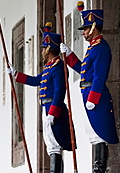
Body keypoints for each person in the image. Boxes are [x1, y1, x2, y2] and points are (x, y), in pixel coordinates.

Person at [7, 22, 75, 173]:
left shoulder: (58, 67)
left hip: (53, 109)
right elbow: (35, 80)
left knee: (55, 145)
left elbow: (59, 91)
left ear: (50, 49)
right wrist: (16, 74)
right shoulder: (49, 67)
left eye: (44, 48)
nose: (43, 51)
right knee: (51, 145)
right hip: (46, 108)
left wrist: (53, 112)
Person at [60, 7, 119, 173]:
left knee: (99, 134)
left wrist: (93, 98)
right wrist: (70, 55)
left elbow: (100, 76)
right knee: (92, 134)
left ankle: (99, 170)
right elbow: (83, 69)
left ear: (93, 27)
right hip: (88, 94)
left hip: (96, 96)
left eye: (85, 29)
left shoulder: (101, 47)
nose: (84, 33)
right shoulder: (93, 47)